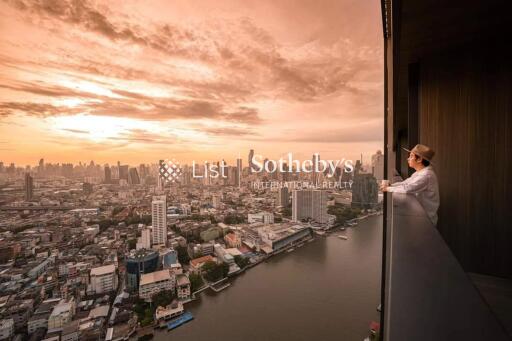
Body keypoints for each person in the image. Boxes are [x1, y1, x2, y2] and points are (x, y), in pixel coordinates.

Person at [381, 144, 440, 225]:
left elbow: (408, 188)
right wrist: (391, 185)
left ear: (419, 159)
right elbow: (405, 183)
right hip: (419, 215)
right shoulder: (420, 172)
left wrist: (387, 189)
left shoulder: (426, 175)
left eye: (411, 156)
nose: (408, 158)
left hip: (426, 220)